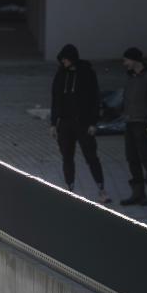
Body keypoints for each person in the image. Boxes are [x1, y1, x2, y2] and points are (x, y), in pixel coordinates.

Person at [50, 44, 108, 203]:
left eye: (66, 59)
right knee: (67, 157)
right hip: (65, 123)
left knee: (91, 156)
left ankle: (101, 188)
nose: (63, 62)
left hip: (83, 123)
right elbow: (55, 99)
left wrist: (93, 122)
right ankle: (70, 188)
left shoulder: (87, 73)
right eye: (62, 59)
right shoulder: (61, 74)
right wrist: (53, 123)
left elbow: (94, 99)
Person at [119, 47, 147, 206]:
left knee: (146, 158)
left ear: (135, 60)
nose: (124, 64)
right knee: (132, 158)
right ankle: (138, 192)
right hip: (130, 123)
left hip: (142, 124)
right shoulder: (130, 78)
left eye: (126, 60)